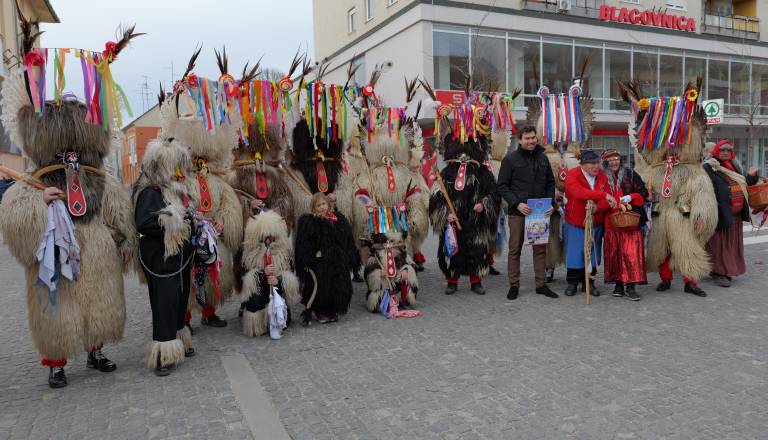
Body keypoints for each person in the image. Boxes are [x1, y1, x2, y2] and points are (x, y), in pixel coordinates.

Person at [0, 22, 138, 388]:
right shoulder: (35, 178)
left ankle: (96, 350)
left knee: (99, 301)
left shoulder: (98, 175)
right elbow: (13, 216)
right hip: (57, 253)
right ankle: (56, 362)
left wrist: (123, 238)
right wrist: (39, 202)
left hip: (97, 253)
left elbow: (117, 209)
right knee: (58, 306)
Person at [133, 136, 197, 376]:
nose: (177, 171)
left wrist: (192, 221)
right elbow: (143, 222)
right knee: (164, 303)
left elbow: (187, 218)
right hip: (160, 259)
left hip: (180, 258)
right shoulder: (150, 192)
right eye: (173, 166)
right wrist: (171, 220)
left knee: (180, 299)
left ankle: (179, 340)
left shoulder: (177, 191)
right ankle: (163, 353)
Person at [497, 125, 559, 300]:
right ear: (520, 140)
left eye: (533, 138)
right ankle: (514, 286)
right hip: (518, 212)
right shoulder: (510, 159)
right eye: (527, 138)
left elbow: (550, 183)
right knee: (514, 249)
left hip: (539, 212)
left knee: (540, 249)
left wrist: (550, 203)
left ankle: (541, 285)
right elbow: (502, 185)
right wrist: (517, 203)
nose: (531, 141)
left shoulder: (543, 158)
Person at [703, 140, 759, 287]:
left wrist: (752, 176)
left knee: (730, 246)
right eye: (722, 150)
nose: (725, 152)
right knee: (719, 245)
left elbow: (744, 183)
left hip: (735, 216)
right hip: (720, 214)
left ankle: (722, 270)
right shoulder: (709, 167)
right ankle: (720, 273)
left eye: (728, 150)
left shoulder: (734, 166)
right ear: (716, 151)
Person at [295, 193, 356, 324]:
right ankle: (320, 310)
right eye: (319, 205)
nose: (322, 207)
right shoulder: (310, 222)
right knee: (322, 284)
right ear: (314, 208)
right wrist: (309, 259)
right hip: (319, 260)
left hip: (336, 258)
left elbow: (345, 238)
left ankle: (332, 308)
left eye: (324, 204)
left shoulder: (337, 219)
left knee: (337, 283)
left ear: (328, 205)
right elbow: (305, 244)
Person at [239, 210, 300, 339]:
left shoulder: (284, 253)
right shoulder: (249, 255)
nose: (268, 240)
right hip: (260, 292)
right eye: (264, 237)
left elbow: (291, 276)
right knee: (254, 299)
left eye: (271, 237)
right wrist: (261, 274)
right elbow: (244, 279)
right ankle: (258, 325)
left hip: (277, 293)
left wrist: (279, 279)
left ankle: (277, 320)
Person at [563, 150, 615, 296]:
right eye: (592, 163)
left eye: (598, 162)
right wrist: (603, 195)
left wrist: (598, 207)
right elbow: (579, 193)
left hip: (595, 223)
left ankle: (589, 284)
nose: (596, 166)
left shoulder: (602, 176)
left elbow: (608, 201)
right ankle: (572, 283)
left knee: (592, 254)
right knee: (575, 253)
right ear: (583, 165)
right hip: (575, 222)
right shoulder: (573, 175)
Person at [601, 150, 649, 301]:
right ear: (605, 163)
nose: (614, 162)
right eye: (610, 160)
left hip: (630, 221)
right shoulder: (601, 177)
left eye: (616, 159)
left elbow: (644, 193)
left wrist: (631, 197)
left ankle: (631, 286)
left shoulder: (631, 174)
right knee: (614, 255)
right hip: (611, 223)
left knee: (631, 254)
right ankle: (618, 285)